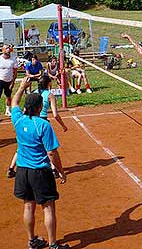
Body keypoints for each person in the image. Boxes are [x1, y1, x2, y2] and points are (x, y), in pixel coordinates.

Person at [11, 77, 69, 249]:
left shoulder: (18, 120)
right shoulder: (43, 125)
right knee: (48, 208)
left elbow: (14, 101)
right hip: (39, 172)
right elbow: (51, 152)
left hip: (22, 170)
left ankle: (32, 241)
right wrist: (61, 171)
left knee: (28, 206)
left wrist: (21, 87)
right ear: (39, 108)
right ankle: (52, 245)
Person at [7, 75, 68, 178]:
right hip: (41, 121)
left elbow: (15, 104)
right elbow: (55, 114)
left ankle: (11, 168)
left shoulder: (34, 93)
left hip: (29, 118)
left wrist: (22, 87)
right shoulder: (50, 95)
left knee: (23, 146)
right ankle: (54, 170)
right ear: (49, 83)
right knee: (47, 147)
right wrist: (63, 125)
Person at [0, 44, 18, 116]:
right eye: (6, 48)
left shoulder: (13, 59)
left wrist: (12, 82)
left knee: (8, 96)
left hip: (9, 80)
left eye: (8, 48)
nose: (8, 49)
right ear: (3, 50)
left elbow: (15, 71)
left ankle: (7, 110)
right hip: (0, 80)